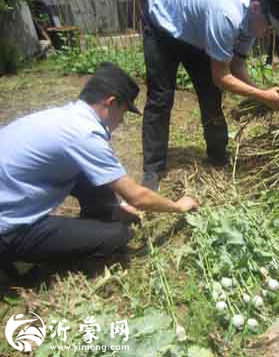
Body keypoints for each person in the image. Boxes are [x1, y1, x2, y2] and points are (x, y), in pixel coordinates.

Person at [0, 63, 198, 268]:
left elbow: (104, 178)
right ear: (111, 103)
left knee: (89, 174)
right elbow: (137, 196)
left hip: (8, 199)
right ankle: (24, 263)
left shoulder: (64, 117)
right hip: (7, 230)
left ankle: (105, 214)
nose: (121, 121)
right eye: (123, 112)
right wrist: (178, 206)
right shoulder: (84, 134)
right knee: (117, 236)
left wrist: (118, 206)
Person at [141, 0, 279, 191]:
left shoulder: (250, 23)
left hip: (194, 28)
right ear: (256, 7)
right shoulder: (227, 15)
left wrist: (261, 94)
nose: (270, 31)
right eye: (270, 24)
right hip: (162, 19)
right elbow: (221, 76)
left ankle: (218, 156)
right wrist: (262, 96)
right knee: (161, 98)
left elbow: (237, 67)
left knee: (210, 95)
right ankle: (153, 169)